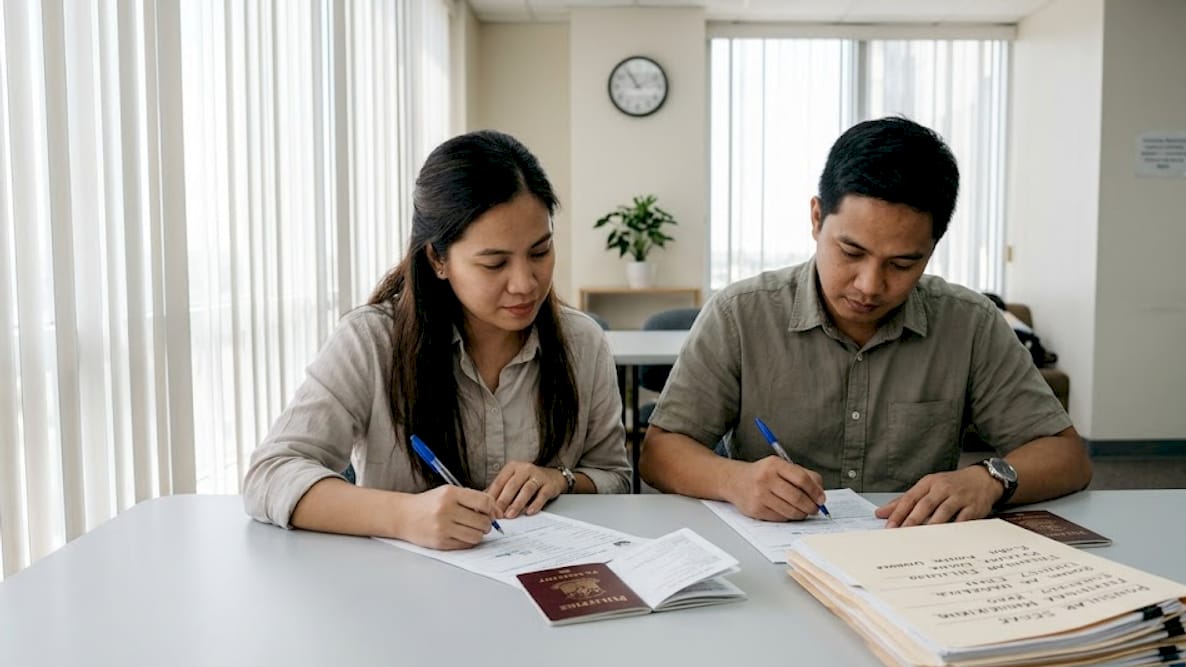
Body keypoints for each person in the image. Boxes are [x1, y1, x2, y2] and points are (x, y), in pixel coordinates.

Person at [640, 117, 1091, 528]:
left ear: (932, 249)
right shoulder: (741, 314)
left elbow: (1066, 455)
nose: (870, 286)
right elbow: (660, 452)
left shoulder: (968, 324)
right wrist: (733, 480)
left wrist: (989, 478)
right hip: (774, 553)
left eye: (902, 263)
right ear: (817, 218)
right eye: (851, 253)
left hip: (914, 559)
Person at [243, 130, 631, 549]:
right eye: (494, 263)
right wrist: (404, 515)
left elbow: (617, 478)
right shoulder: (371, 341)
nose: (525, 283)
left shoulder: (582, 342)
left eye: (540, 253)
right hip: (405, 593)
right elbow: (271, 474)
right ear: (437, 260)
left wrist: (560, 479)